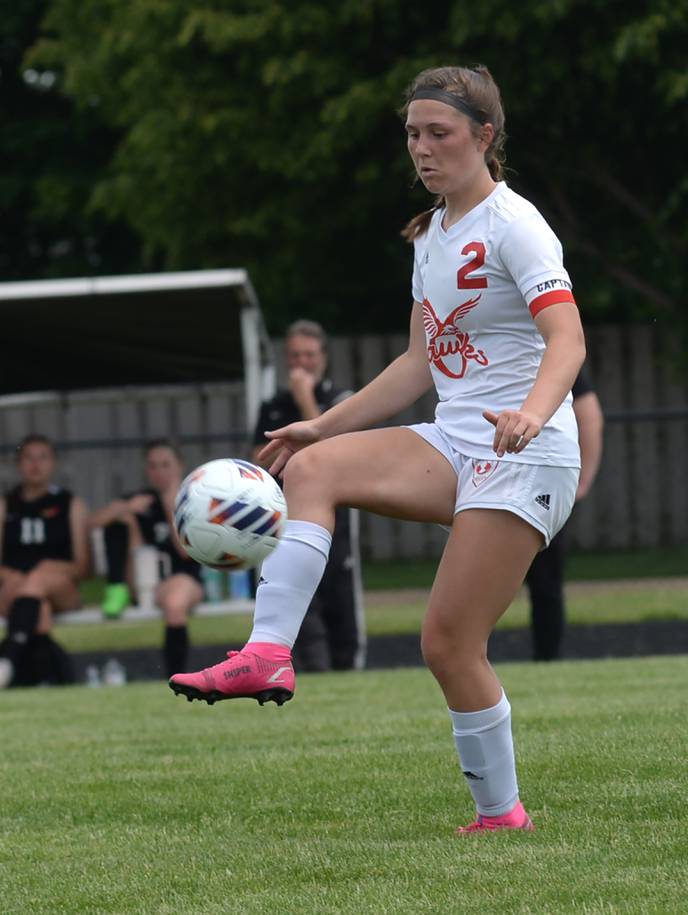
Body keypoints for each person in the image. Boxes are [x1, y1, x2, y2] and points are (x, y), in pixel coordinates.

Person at [170, 64, 585, 835]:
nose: (422, 150)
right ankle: (267, 653)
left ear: (484, 137)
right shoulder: (432, 234)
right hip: (458, 439)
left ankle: (502, 815)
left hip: (527, 451)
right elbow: (418, 362)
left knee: (447, 641)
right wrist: (321, 426)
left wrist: (532, 410)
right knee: (314, 468)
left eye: (440, 134)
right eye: (413, 135)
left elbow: (568, 336)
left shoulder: (516, 226)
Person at [250, 319, 365, 671]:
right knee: (300, 606)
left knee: (341, 609)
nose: (303, 363)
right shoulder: (272, 407)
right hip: (285, 522)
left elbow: (333, 452)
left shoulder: (341, 400)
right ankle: (309, 673)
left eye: (310, 355)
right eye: (295, 355)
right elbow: (260, 459)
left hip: (338, 524)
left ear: (324, 358)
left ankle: (350, 678)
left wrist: (306, 402)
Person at [89, 440, 203, 677]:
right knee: (120, 523)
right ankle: (116, 590)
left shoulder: (194, 501)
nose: (159, 472)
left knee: (175, 602)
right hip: (140, 580)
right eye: (152, 466)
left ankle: (175, 677)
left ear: (179, 466)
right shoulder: (140, 500)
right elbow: (91, 523)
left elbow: (185, 551)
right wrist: (126, 512)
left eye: (165, 465)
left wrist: (172, 502)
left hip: (184, 578)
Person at [526, 366, 603, 660]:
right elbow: (591, 417)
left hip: (537, 480)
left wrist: (581, 482)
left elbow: (590, 416)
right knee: (544, 584)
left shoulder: (550, 356)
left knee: (544, 582)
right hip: (521, 477)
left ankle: (547, 657)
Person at [0, 435, 89, 688]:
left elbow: (83, 568)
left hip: (62, 590)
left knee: (37, 581)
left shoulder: (70, 504)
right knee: (39, 608)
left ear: (53, 463)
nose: (35, 465)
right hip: (15, 590)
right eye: (29, 457)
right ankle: (48, 679)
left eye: (43, 457)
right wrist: (8, 575)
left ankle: (7, 659)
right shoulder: (5, 505)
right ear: (18, 464)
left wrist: (53, 567)